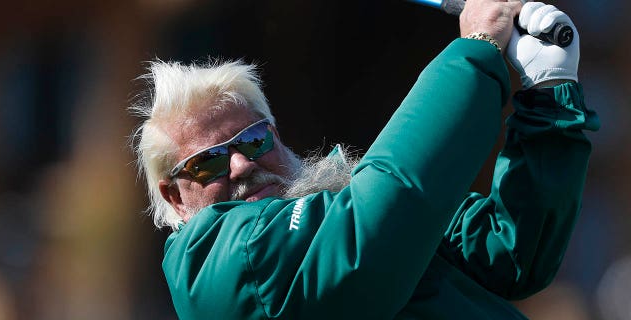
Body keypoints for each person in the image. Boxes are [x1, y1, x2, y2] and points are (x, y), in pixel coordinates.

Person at [130, 0, 599, 318]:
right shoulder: (212, 261)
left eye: (253, 141)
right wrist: (476, 49)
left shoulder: (335, 205)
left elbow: (511, 252)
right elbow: (373, 226)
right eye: (208, 163)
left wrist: (549, 89)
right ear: (174, 197)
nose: (240, 166)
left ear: (276, 136)